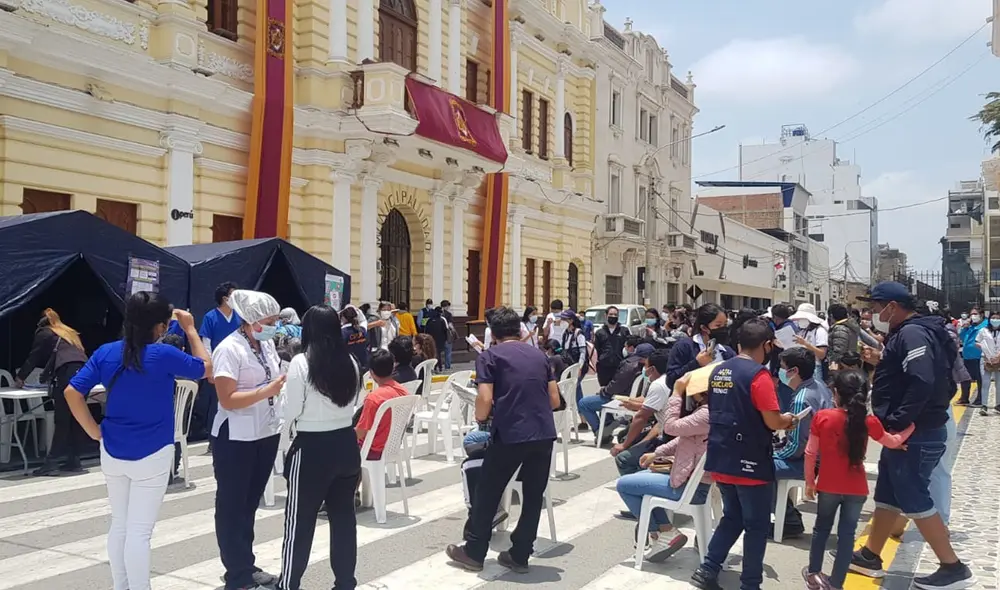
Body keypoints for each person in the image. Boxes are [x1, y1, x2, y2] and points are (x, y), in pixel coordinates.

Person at [64, 293, 211, 590]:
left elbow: (72, 392)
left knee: (120, 524)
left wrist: (93, 430)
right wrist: (191, 329)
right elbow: (205, 367)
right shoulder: (164, 355)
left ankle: (122, 586)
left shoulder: (106, 352)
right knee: (140, 532)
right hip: (153, 451)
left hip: (113, 449)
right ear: (158, 326)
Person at [850, 282, 975, 589]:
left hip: (914, 434)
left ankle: (952, 567)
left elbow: (921, 380)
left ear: (893, 305)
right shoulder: (908, 333)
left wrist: (897, 421)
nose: (874, 313)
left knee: (914, 497)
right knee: (889, 494)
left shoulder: (913, 333)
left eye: (877, 307)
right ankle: (870, 554)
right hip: (909, 432)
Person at [445, 306, 561, 573]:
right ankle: (520, 554)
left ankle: (474, 551)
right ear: (520, 330)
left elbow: (484, 399)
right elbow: (554, 399)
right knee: (533, 496)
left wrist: (481, 417)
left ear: (492, 333)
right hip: (543, 432)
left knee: (487, 491)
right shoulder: (539, 355)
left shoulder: (490, 356)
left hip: (510, 433)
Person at [691, 319, 797, 590]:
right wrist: (788, 420)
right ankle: (750, 583)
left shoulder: (718, 371)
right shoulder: (758, 375)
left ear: (739, 343)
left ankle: (707, 569)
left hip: (721, 456)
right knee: (757, 525)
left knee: (732, 517)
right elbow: (772, 421)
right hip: (751, 460)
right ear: (766, 345)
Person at [801, 370, 913, 590]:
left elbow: (810, 453)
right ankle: (836, 583)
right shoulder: (868, 421)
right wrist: (911, 428)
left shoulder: (823, 417)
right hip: (856, 489)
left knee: (821, 529)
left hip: (828, 486)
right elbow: (891, 442)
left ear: (835, 392)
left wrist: (809, 482)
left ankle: (814, 573)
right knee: (846, 536)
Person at [278, 305, 361, 590]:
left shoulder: (302, 362)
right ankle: (345, 582)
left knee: (299, 522)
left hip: (312, 446)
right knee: (344, 520)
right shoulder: (350, 360)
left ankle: (288, 584)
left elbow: (290, 411)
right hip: (345, 443)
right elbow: (354, 402)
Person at [211, 290, 287, 590]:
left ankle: (246, 563)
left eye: (274, 321)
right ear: (250, 320)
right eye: (267, 321)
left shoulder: (266, 344)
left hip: (264, 432)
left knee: (250, 503)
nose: (272, 326)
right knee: (232, 506)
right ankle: (236, 574)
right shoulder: (229, 349)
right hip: (236, 435)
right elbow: (227, 398)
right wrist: (266, 391)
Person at [616, 363, 713, 562]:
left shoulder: (706, 414)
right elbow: (685, 438)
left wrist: (676, 394)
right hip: (689, 472)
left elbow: (670, 427)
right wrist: (657, 454)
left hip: (691, 485)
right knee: (642, 475)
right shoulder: (715, 411)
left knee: (624, 485)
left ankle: (658, 532)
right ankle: (665, 530)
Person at [15, 308, 89, 475]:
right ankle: (74, 459)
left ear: (42, 323)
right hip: (85, 374)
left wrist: (21, 377)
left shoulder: (45, 333)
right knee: (77, 417)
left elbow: (34, 357)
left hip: (67, 374)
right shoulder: (69, 333)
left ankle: (52, 462)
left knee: (62, 419)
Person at [771, 346, 833, 538]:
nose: (780, 373)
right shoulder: (819, 385)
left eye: (782, 368)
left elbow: (796, 447)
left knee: (760, 466)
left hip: (811, 463)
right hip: (824, 457)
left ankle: (789, 519)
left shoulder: (801, 399)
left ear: (794, 371)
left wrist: (773, 453)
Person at [611, 349, 672, 475]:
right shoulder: (671, 380)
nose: (644, 369)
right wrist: (642, 443)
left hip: (669, 441)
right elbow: (661, 421)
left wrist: (624, 445)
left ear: (652, 368)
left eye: (645, 365)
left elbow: (641, 418)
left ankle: (635, 488)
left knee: (623, 459)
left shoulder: (658, 385)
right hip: (666, 434)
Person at [578, 340, 651, 441]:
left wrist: (604, 391)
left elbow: (617, 385)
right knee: (599, 397)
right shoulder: (651, 369)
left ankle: (600, 431)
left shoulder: (629, 365)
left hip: (621, 398)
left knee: (583, 403)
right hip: (634, 398)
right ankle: (607, 425)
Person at [356, 349, 410, 460]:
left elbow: (360, 433)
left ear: (371, 373)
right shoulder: (404, 392)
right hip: (391, 447)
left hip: (371, 450)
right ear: (393, 368)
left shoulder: (373, 398)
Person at [666, 303, 733, 389]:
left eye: (725, 325)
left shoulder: (727, 352)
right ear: (704, 327)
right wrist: (697, 363)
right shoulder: (684, 347)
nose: (723, 329)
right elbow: (671, 381)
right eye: (718, 325)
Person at [789, 303, 829, 380]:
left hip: (814, 368)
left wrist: (805, 344)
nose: (800, 320)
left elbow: (822, 354)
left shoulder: (820, 331)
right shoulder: (802, 331)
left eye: (802, 318)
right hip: (801, 367)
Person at [594, 306, 632, 386]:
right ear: (606, 315)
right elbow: (596, 350)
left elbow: (629, 348)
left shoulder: (624, 331)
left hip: (620, 366)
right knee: (605, 390)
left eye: (615, 314)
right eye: (611, 314)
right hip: (604, 367)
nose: (613, 316)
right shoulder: (599, 332)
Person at [958, 307, 986, 405]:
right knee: (965, 378)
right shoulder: (970, 326)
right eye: (971, 314)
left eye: (975, 314)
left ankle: (980, 399)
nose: (972, 316)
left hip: (979, 356)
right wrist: (964, 328)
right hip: (967, 356)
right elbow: (961, 337)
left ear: (981, 315)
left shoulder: (985, 326)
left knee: (980, 379)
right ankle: (964, 397)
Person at [976, 310, 1000, 415]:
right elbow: (977, 342)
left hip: (999, 359)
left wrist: (998, 356)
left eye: (997, 318)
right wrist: (983, 348)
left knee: (999, 384)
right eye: (993, 318)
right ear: (989, 319)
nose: (995, 320)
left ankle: (998, 404)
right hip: (985, 359)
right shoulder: (983, 330)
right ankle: (984, 405)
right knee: (985, 383)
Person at [340, 305, 369, 374]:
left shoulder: (342, 332)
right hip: (362, 364)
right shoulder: (362, 330)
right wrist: (359, 311)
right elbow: (364, 320)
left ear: (343, 318)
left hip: (348, 366)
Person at [424, 307, 449, 372]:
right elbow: (445, 331)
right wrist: (445, 339)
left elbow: (426, 330)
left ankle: (434, 367)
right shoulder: (441, 320)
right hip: (440, 341)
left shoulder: (429, 320)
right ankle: (439, 367)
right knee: (438, 354)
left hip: (431, 340)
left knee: (433, 354)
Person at [441, 300, 456, 369]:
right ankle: (447, 366)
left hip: (438, 335)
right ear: (447, 306)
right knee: (448, 352)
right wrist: (453, 331)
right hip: (447, 335)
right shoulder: (448, 314)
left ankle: (437, 366)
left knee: (437, 352)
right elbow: (450, 325)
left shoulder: (436, 313)